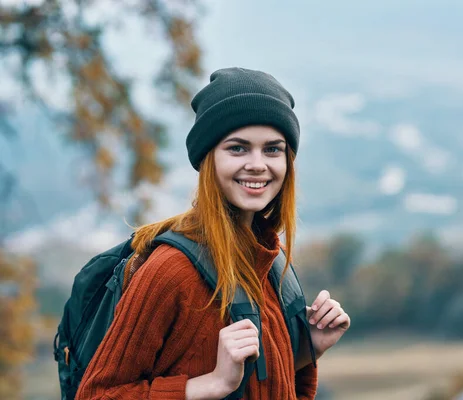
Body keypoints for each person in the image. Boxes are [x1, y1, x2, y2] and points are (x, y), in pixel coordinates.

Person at [75, 67, 351, 400]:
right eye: (237, 148)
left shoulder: (270, 260)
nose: (257, 164)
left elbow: (258, 384)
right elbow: (97, 394)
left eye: (273, 149)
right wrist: (211, 384)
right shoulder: (171, 272)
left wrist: (307, 350)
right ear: (208, 159)